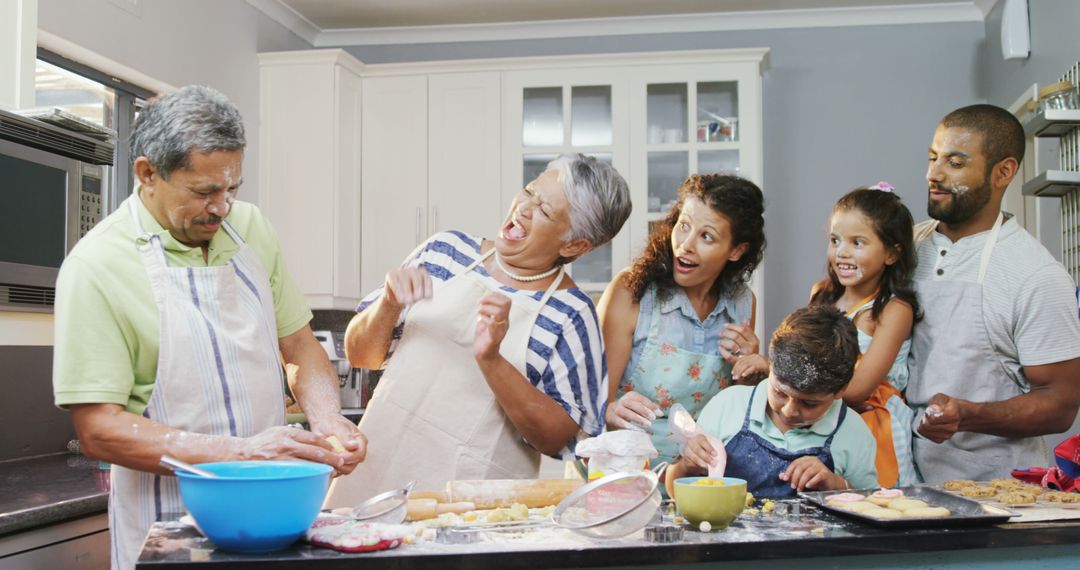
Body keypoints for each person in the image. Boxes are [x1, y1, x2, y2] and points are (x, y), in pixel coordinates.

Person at [51, 86, 366, 570]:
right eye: (203, 192)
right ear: (147, 172)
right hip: (165, 522)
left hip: (272, 516)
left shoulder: (250, 229)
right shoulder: (97, 266)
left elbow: (300, 347)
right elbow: (99, 429)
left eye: (232, 188)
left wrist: (326, 418)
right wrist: (242, 451)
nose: (221, 207)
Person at [324, 154, 632, 506]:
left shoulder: (572, 314)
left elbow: (557, 437)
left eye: (545, 211)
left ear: (574, 245)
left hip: (474, 509)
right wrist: (389, 304)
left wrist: (492, 360)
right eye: (529, 191)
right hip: (375, 478)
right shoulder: (445, 251)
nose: (524, 208)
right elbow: (361, 355)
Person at [910, 104, 1080, 483]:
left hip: (992, 493)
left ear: (1003, 172)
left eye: (955, 163)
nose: (933, 174)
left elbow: (1060, 404)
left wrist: (968, 415)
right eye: (933, 158)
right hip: (897, 485)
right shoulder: (903, 249)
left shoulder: (1036, 275)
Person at [598, 174, 767, 465]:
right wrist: (609, 409)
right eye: (684, 226)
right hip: (624, 471)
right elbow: (590, 404)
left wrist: (752, 371)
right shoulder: (631, 293)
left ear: (737, 251)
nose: (686, 245)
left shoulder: (742, 304)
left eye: (707, 236)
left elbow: (735, 415)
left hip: (697, 476)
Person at [664, 305, 878, 498]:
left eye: (809, 404)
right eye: (779, 393)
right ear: (770, 368)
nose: (789, 411)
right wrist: (686, 466)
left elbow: (870, 503)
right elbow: (674, 490)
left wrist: (835, 484)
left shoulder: (852, 432)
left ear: (840, 390)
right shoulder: (728, 406)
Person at [808, 184, 920, 487]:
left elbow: (858, 390)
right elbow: (803, 355)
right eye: (835, 240)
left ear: (891, 254)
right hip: (822, 414)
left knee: (870, 500)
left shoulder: (893, 310)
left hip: (872, 421)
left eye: (858, 243)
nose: (842, 252)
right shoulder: (821, 295)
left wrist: (806, 390)